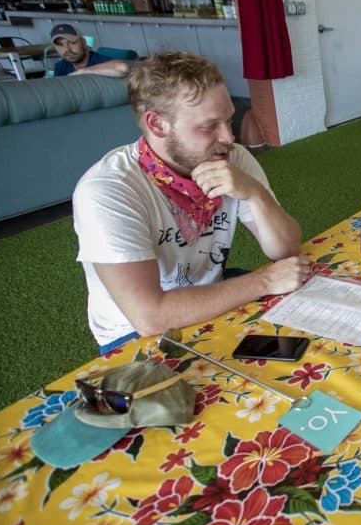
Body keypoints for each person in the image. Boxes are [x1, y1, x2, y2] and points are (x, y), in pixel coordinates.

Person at [72, 51, 310, 353]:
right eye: (209, 126)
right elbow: (150, 317)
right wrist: (263, 281)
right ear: (157, 125)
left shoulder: (230, 156)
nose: (229, 137)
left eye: (228, 119)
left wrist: (254, 193)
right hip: (133, 335)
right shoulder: (107, 190)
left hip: (213, 293)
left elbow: (286, 250)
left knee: (312, 336)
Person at [50, 23, 130, 78]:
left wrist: (83, 71)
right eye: (61, 45)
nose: (67, 49)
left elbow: (123, 67)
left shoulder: (99, 60)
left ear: (83, 42)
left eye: (72, 43)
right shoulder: (60, 67)